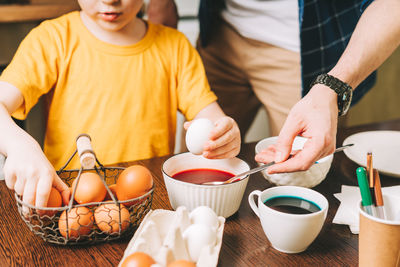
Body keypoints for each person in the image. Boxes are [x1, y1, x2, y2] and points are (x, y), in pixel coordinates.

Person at [0, 0, 241, 211]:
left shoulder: (175, 47)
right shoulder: (52, 38)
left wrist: (225, 133)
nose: (110, 0)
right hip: (71, 203)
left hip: (150, 204)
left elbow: (210, 119)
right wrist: (17, 144)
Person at [151, 0, 400, 174]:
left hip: (304, 50)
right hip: (219, 31)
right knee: (200, 167)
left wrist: (331, 87)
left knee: (297, 174)